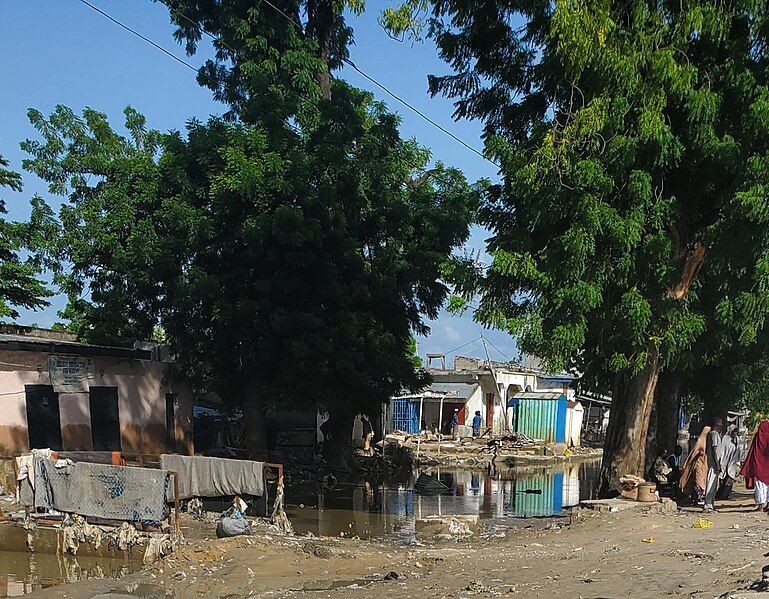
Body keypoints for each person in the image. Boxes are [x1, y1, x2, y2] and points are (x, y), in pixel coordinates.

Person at [741, 420, 769, 511]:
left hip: (758, 466)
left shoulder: (757, 437)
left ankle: (761, 504)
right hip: (767, 466)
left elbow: (752, 451)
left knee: (760, 485)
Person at [680, 426, 711, 504]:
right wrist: (687, 463)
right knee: (698, 482)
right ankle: (696, 498)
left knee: (703, 482)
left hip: (705, 466)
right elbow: (694, 452)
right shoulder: (700, 441)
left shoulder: (709, 442)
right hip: (698, 465)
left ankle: (700, 497)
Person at [703, 417, 724, 512]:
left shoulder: (715, 434)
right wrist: (717, 463)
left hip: (715, 463)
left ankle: (710, 504)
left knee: (714, 485)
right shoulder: (714, 434)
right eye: (720, 423)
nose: (722, 425)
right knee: (711, 484)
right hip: (713, 463)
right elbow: (715, 450)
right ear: (717, 424)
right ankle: (708, 505)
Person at [716, 424, 741, 500]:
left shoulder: (737, 439)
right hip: (725, 461)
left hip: (733, 461)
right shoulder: (725, 439)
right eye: (734, 432)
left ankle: (725, 495)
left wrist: (738, 462)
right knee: (724, 479)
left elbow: (738, 450)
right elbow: (722, 450)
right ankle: (721, 495)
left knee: (730, 478)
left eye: (736, 432)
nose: (735, 433)